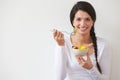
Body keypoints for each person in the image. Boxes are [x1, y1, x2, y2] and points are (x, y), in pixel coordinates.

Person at [52, 1, 111, 80]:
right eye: (78, 19)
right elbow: (59, 78)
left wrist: (91, 68)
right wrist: (61, 46)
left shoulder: (103, 44)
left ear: (92, 22)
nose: (83, 24)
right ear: (73, 22)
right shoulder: (63, 42)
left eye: (87, 19)